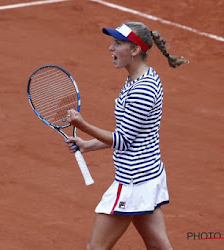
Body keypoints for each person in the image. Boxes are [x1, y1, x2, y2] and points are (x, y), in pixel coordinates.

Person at [66, 21, 189, 250]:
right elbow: (132, 134)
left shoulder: (142, 89)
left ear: (135, 50)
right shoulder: (140, 78)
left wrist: (82, 125)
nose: (111, 48)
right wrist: (88, 145)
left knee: (96, 247)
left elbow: (122, 140)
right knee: (158, 245)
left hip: (134, 181)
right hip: (147, 175)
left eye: (118, 43)